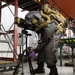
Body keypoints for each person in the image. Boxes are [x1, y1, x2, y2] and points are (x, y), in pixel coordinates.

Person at [15, 3, 66, 75]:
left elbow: (45, 40)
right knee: (42, 49)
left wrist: (35, 51)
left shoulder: (49, 24)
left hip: (56, 32)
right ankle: (40, 68)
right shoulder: (41, 22)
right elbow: (36, 29)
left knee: (48, 49)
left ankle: (53, 70)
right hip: (48, 32)